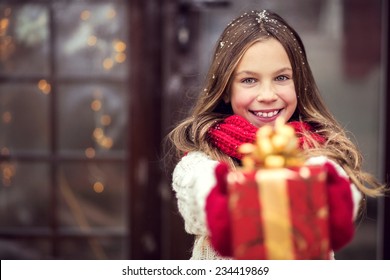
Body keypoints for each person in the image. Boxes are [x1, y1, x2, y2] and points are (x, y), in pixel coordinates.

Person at [165, 9, 385, 259]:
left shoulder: (318, 152)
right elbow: (201, 192)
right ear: (225, 89)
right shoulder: (201, 160)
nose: (268, 95)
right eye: (249, 80)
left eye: (281, 77)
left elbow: (336, 191)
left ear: (298, 84)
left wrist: (331, 199)